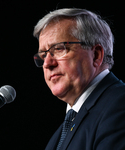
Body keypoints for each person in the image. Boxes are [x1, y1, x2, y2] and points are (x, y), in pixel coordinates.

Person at [33, 8, 125, 150]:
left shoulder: (119, 104)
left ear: (96, 55)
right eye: (43, 55)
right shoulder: (60, 134)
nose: (47, 64)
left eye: (58, 49)